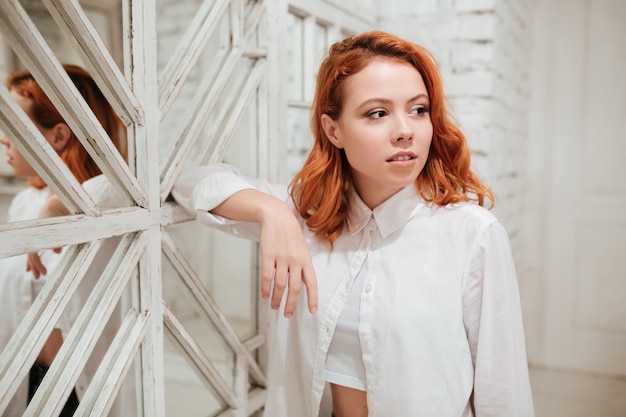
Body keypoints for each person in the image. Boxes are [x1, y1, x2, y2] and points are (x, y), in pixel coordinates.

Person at [172, 31, 535, 416]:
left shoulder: (471, 233)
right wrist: (272, 212)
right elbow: (187, 183)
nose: (405, 130)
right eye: (378, 113)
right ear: (334, 130)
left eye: (418, 109)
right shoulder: (309, 216)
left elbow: (503, 390)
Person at [0, 64, 127, 417]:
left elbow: (137, 187)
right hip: (23, 381)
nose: (2, 138)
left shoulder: (112, 208)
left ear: (59, 135)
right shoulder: (25, 202)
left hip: (78, 390)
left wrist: (59, 205)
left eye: (13, 126)